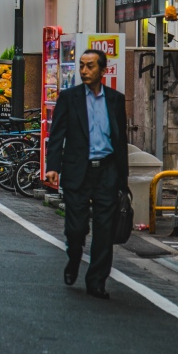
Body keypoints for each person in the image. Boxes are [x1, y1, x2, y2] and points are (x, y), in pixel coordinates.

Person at [45, 49, 129, 301]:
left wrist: (122, 178)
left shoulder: (115, 100)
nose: (84, 71)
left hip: (106, 171)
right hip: (77, 170)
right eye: (81, 65)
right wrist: (53, 167)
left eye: (90, 66)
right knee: (76, 227)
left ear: (103, 71)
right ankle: (73, 257)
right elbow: (57, 134)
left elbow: (121, 139)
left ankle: (96, 281)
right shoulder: (68, 98)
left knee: (104, 231)